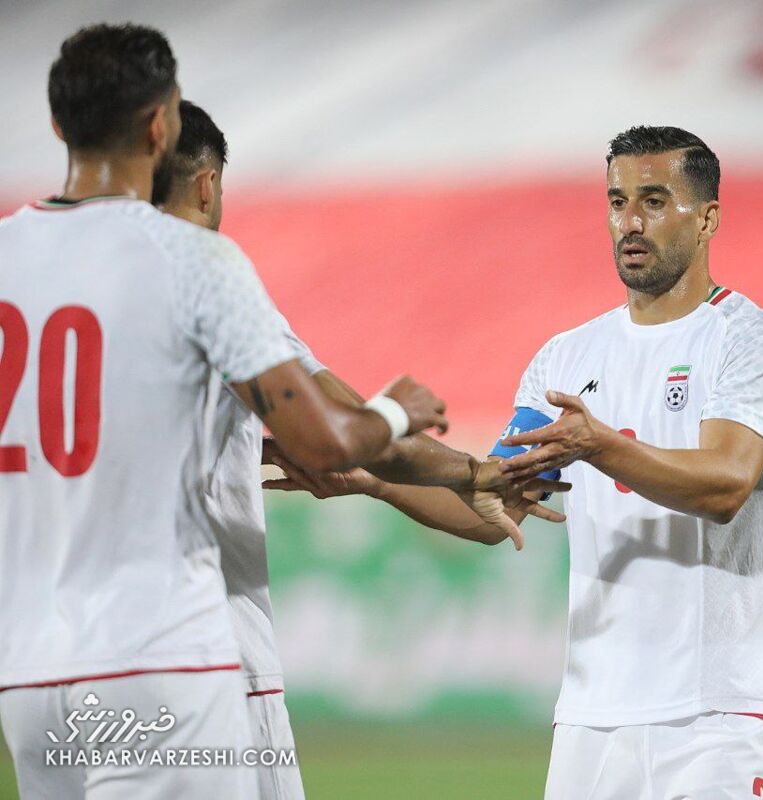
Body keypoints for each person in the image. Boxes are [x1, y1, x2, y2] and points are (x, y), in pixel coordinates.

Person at [0, 24, 486, 799]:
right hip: (159, 655)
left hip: (30, 671)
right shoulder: (189, 260)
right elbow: (327, 442)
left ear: (58, 125)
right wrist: (395, 412)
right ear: (161, 127)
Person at [151, 99, 569, 799]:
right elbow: (333, 424)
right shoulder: (204, 275)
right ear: (206, 184)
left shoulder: (50, 277)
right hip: (200, 653)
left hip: (62, 661)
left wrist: (255, 458)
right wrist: (406, 428)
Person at [492, 126, 763, 799]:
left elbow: (725, 482)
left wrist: (600, 446)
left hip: (716, 714)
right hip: (591, 714)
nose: (629, 222)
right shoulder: (565, 358)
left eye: (655, 201)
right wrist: (376, 472)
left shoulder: (754, 342)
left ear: (708, 219)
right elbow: (497, 504)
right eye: (616, 201)